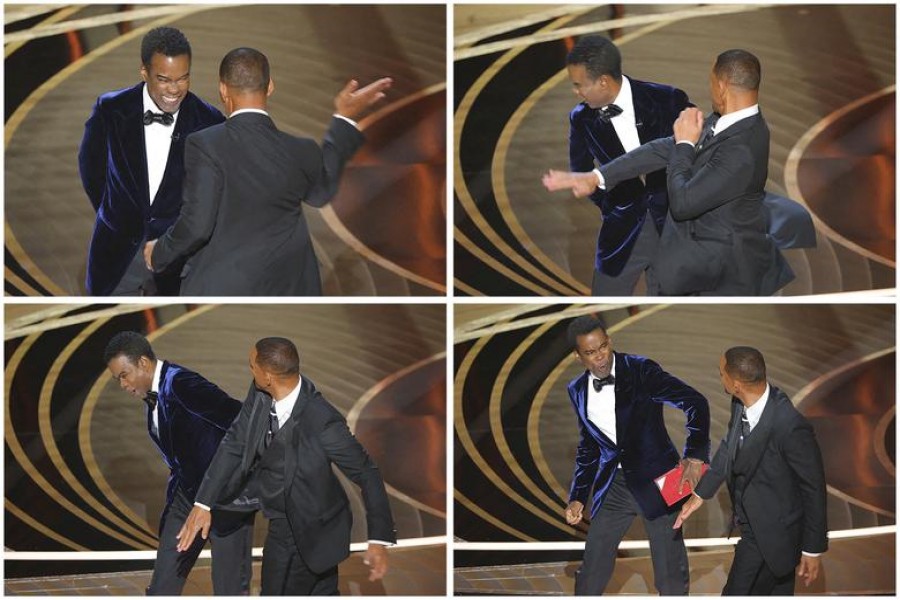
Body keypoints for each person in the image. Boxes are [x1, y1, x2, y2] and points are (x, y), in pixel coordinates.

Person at [144, 47, 392, 295]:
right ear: (270, 86)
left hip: (223, 290)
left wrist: (159, 252)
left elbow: (197, 225)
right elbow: (321, 192)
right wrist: (344, 118)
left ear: (223, 90)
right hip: (293, 290)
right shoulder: (301, 150)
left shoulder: (206, 144)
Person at [544, 49, 792, 296]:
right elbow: (663, 148)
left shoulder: (742, 149)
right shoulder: (726, 120)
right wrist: (597, 177)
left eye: (710, 81)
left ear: (722, 86)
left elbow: (683, 203)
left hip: (721, 275)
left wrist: (684, 144)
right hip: (694, 257)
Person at [176, 337, 396, 595]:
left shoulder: (323, 422)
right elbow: (235, 441)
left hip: (312, 528)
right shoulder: (260, 392)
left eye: (252, 366)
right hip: (282, 517)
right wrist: (204, 503)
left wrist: (378, 539)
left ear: (268, 376)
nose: (250, 370)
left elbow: (366, 471)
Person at [564, 316, 710, 595]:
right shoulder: (577, 390)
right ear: (577, 355)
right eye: (591, 353)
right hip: (614, 486)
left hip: (661, 482)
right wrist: (578, 495)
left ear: (610, 341)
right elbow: (589, 446)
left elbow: (695, 402)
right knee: (593, 565)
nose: (601, 357)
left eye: (603, 347)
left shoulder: (641, 370)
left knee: (669, 573)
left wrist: (694, 455)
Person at [103, 331, 253, 595]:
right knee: (163, 586)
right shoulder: (152, 397)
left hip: (225, 497)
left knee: (229, 591)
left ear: (143, 363)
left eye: (123, 375)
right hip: (186, 498)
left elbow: (240, 420)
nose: (122, 385)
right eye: (117, 380)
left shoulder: (182, 383)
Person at [79, 27, 225, 296]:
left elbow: (215, 196)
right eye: (164, 79)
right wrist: (114, 213)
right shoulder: (110, 109)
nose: (174, 89)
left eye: (183, 78)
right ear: (144, 72)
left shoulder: (210, 122)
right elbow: (91, 168)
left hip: (178, 262)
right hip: (117, 256)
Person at [674, 347, 827, 595]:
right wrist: (701, 494)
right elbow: (729, 447)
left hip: (774, 533)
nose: (719, 377)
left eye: (721, 373)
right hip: (751, 524)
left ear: (736, 384)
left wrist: (812, 548)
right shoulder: (740, 402)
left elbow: (814, 487)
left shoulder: (790, 425)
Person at [564, 35, 691, 295]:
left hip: (675, 230)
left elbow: (698, 150)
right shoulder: (581, 118)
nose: (575, 92)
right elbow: (581, 170)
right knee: (603, 305)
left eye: (579, 85)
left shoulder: (668, 99)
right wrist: (612, 205)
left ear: (603, 81)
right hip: (622, 231)